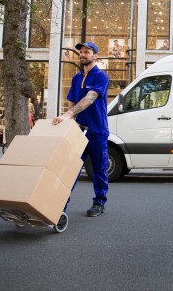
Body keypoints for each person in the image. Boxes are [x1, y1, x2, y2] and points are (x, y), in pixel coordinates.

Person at [53, 41, 110, 217]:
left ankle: (99, 202)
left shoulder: (101, 77)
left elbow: (89, 99)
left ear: (95, 56)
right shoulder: (77, 78)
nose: (83, 55)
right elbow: (72, 99)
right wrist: (70, 118)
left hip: (97, 131)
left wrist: (68, 114)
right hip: (78, 131)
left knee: (99, 168)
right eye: (81, 52)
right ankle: (60, 204)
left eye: (87, 52)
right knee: (71, 168)